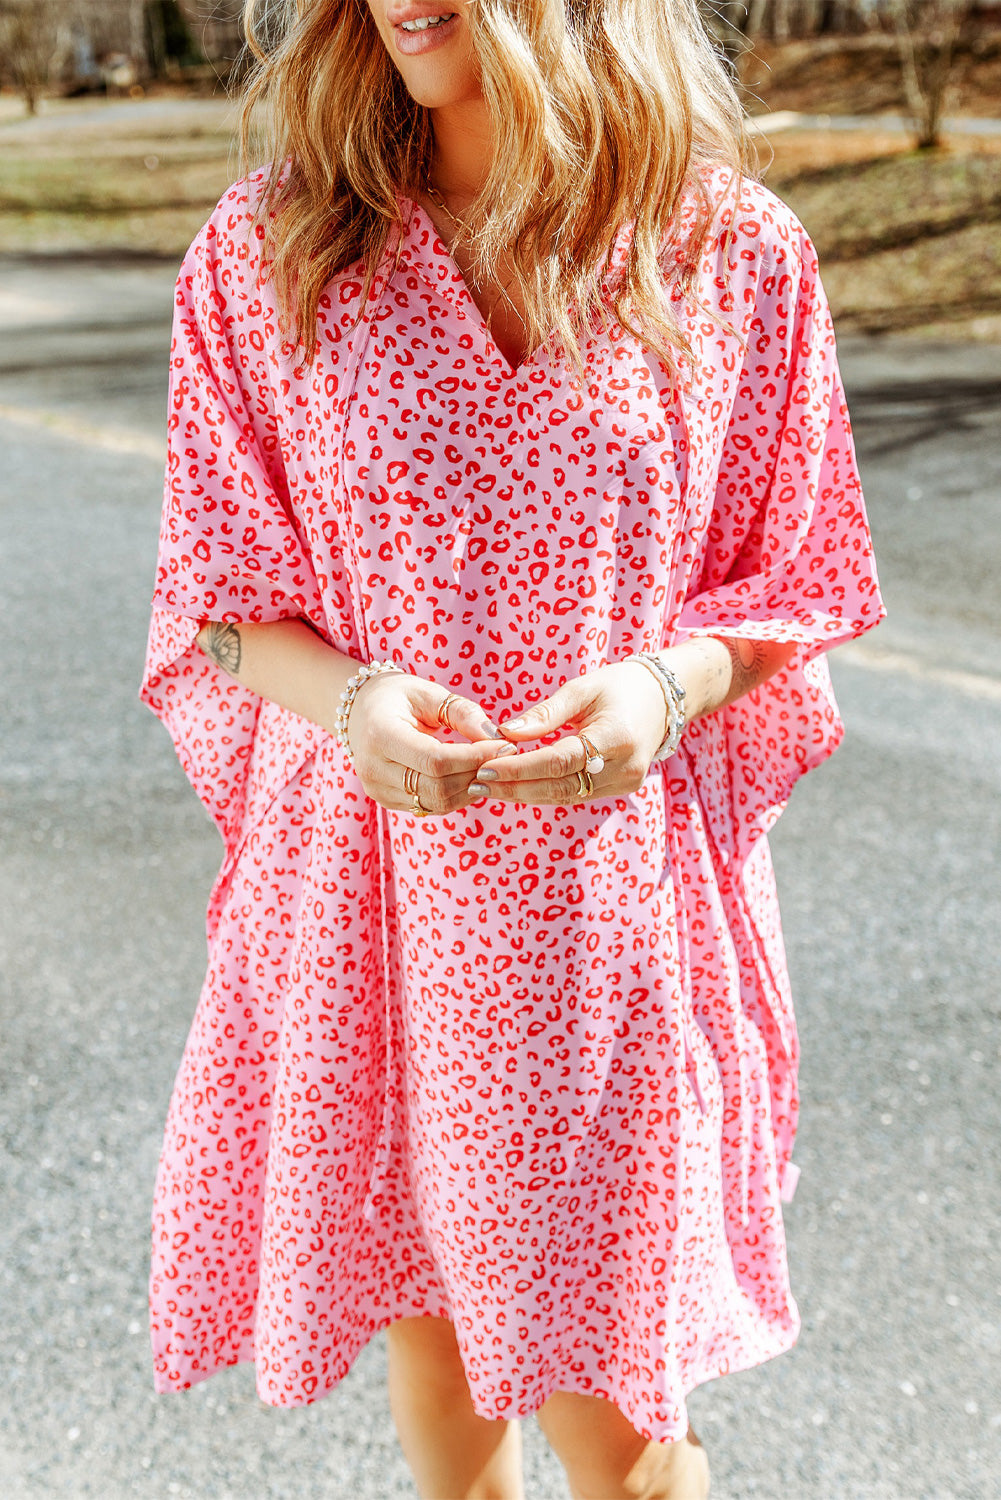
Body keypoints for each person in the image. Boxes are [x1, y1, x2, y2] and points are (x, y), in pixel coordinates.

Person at [139, 0, 885, 1496]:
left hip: (604, 916)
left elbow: (802, 574)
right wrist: (349, 703)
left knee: (618, 1425)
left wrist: (659, 694)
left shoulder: (723, 249)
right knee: (434, 1342)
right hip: (368, 903)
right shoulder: (275, 244)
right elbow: (216, 598)